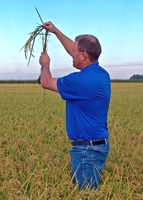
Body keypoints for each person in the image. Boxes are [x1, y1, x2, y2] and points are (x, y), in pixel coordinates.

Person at [39, 21, 111, 190]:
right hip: (94, 146)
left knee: (83, 193)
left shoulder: (79, 81)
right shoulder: (101, 74)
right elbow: (76, 49)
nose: (71, 54)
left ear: (84, 56)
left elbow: (46, 82)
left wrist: (45, 64)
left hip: (86, 151)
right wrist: (55, 31)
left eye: (74, 53)